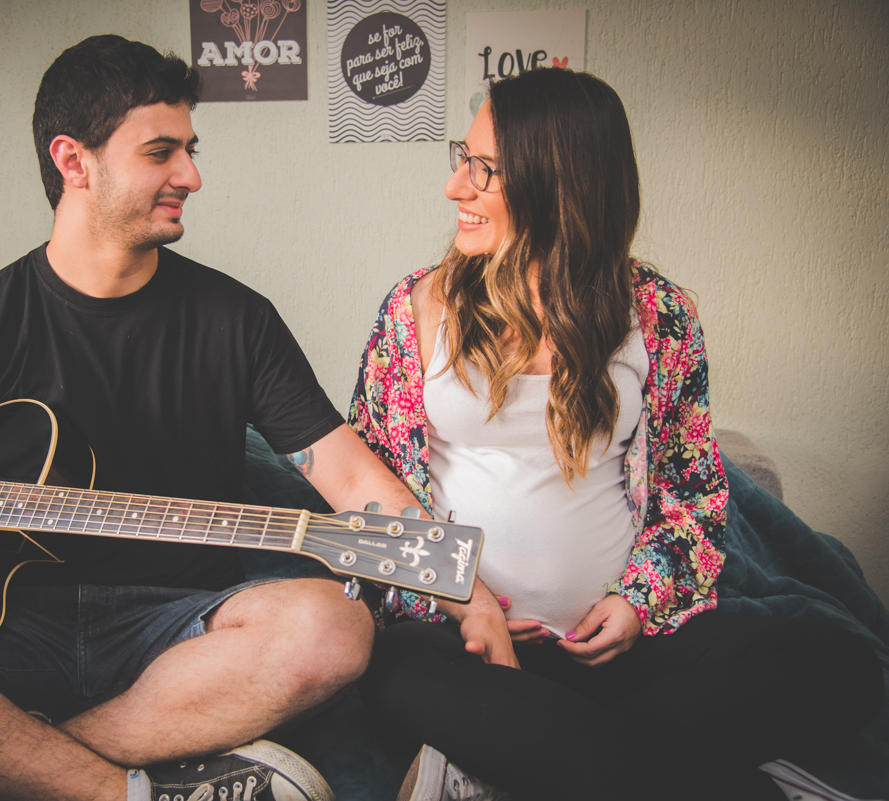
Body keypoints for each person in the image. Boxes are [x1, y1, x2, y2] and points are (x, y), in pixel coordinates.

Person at [0, 35, 424, 801]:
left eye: (190, 150)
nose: (191, 176)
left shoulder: (237, 321)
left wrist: (459, 584)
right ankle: (114, 788)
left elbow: (354, 480)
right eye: (160, 152)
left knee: (333, 628)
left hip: (176, 633)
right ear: (73, 161)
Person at [349, 67, 883, 801]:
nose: (455, 187)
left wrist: (635, 603)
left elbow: (694, 494)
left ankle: (520, 753)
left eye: (485, 169)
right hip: (463, 644)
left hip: (619, 649)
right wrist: (458, 602)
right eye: (462, 159)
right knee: (391, 673)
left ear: (559, 183)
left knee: (844, 663)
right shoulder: (415, 309)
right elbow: (370, 491)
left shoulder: (657, 316)